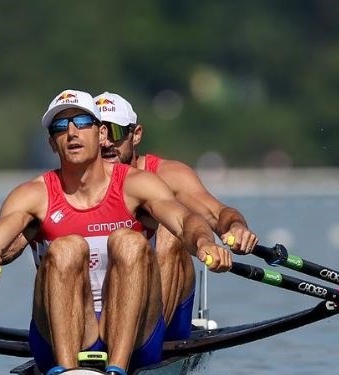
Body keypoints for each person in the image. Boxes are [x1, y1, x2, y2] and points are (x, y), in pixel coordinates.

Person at [0, 90, 231, 375]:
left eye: (82, 123)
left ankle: (116, 371)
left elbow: (184, 221)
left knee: (128, 240)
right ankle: (66, 374)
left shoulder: (137, 185)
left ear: (101, 134)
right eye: (61, 127)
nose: (72, 132)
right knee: (67, 248)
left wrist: (205, 242)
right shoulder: (33, 195)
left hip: (135, 335)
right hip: (63, 335)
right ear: (53, 143)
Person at [93, 91, 258, 341]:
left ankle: (150, 343)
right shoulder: (74, 184)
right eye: (97, 134)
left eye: (114, 132)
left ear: (135, 135)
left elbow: (217, 213)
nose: (105, 144)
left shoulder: (169, 175)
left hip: (164, 316)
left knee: (169, 233)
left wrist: (235, 227)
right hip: (102, 309)